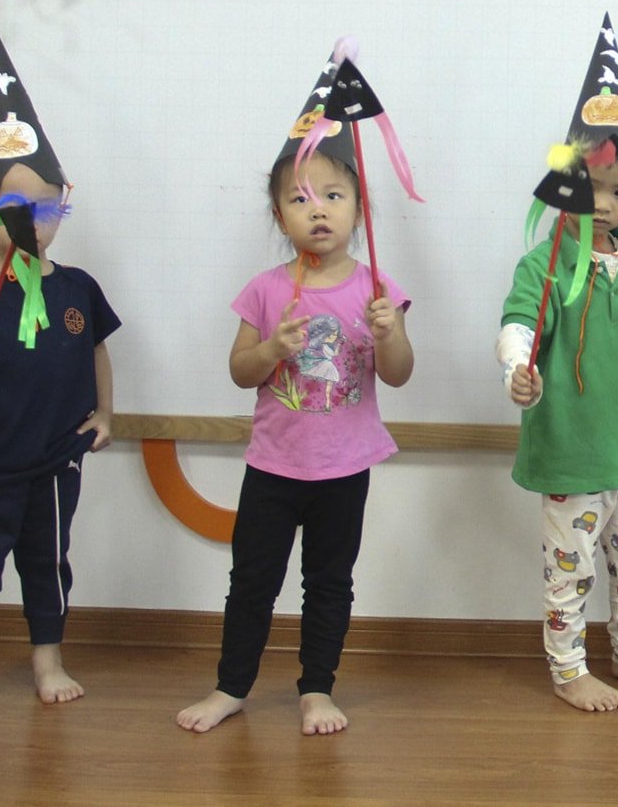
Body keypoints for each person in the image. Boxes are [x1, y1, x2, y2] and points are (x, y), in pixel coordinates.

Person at [177, 48, 417, 736]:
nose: (318, 210)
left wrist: (389, 332)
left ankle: (317, 688)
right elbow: (240, 371)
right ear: (279, 214)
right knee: (252, 580)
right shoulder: (265, 289)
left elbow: (398, 372)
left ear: (358, 209)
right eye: (300, 198)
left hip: (344, 468)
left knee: (329, 583)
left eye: (333, 196)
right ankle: (231, 687)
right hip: (274, 466)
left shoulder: (378, 289)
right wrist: (271, 350)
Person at [0, 25, 117, 723]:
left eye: (46, 207)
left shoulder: (78, 287)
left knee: (48, 563)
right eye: (16, 209)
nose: (34, 222)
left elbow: (97, 351)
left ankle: (48, 658)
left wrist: (105, 414)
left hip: (56, 457)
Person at [498, 15, 618, 712]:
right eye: (590, 187)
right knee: (569, 573)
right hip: (571, 453)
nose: (603, 204)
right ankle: (568, 667)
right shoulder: (543, 262)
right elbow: (518, 325)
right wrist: (517, 368)